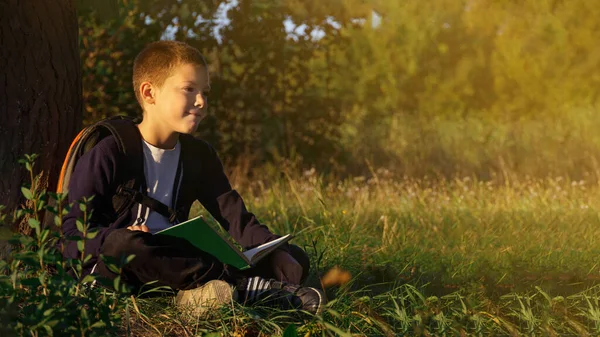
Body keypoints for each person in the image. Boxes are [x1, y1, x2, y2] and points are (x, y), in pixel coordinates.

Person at [60, 40, 324, 315]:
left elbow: (237, 219)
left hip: (182, 264)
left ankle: (203, 295)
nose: (201, 101)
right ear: (149, 93)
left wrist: (274, 250)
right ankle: (249, 288)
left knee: (294, 257)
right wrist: (115, 235)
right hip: (125, 269)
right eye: (189, 89)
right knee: (126, 245)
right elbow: (71, 235)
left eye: (204, 92)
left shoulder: (199, 156)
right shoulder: (110, 150)